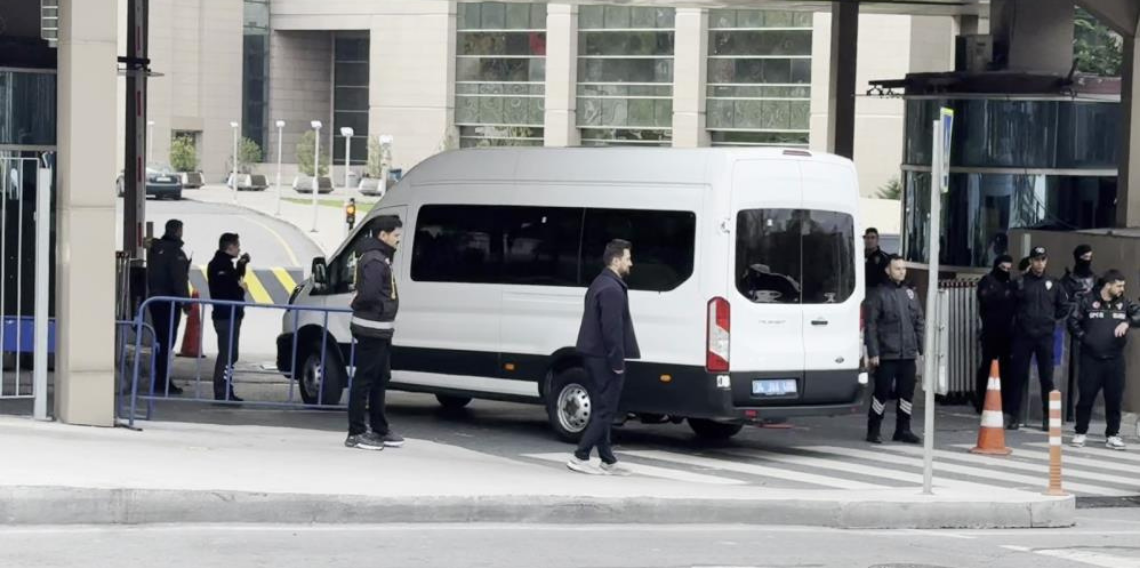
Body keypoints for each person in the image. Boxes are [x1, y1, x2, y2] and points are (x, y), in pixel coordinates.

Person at [567, 239, 640, 475]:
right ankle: (580, 456)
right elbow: (612, 330)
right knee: (606, 410)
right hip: (604, 358)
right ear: (616, 260)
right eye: (628, 258)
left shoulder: (600, 283)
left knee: (601, 408)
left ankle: (607, 459)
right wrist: (617, 362)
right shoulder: (612, 289)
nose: (631, 263)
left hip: (593, 355)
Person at [345, 215, 404, 451]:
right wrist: (361, 303)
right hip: (372, 328)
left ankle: (380, 429)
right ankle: (356, 432)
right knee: (365, 380)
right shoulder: (375, 260)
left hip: (381, 329)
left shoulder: (379, 257)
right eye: (396, 235)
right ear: (383, 235)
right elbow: (369, 294)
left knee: (380, 378)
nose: (398, 239)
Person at [1068, 270, 1140, 450]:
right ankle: (1080, 432)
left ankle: (1112, 435)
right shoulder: (1087, 300)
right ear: (1108, 285)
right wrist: (1085, 338)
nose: (1122, 289)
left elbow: (1139, 315)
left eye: (1123, 286)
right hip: (1091, 359)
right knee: (1086, 397)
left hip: (1115, 360)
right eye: (1119, 285)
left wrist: (1127, 322)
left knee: (1114, 399)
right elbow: (1072, 321)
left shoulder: (1124, 303)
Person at [863, 255, 924, 445]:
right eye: (897, 268)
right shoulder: (879, 294)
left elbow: (919, 322)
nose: (901, 272)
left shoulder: (910, 294)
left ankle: (903, 429)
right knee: (881, 393)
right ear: (888, 271)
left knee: (906, 394)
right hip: (886, 354)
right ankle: (874, 429)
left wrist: (922, 349)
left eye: (903, 268)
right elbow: (871, 325)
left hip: (907, 353)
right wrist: (873, 352)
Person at [1008, 246, 1069, 431]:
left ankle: (1047, 417)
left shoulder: (1054, 283)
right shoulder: (1019, 282)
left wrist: (1050, 320)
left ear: (1046, 261)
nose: (1040, 263)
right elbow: (1010, 306)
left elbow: (1064, 306)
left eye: (1043, 259)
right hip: (1023, 335)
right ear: (1031, 261)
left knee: (1046, 378)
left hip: (1044, 336)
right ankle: (1014, 416)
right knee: (1017, 376)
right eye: (1036, 260)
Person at [146, 219, 190, 395]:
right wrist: (186, 303)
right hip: (169, 303)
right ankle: (162, 382)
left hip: (155, 301)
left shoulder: (155, 250)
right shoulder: (175, 253)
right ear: (178, 231)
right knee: (167, 343)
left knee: (160, 342)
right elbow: (179, 281)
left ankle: (159, 379)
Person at [207, 233, 249, 403]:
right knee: (227, 354)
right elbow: (227, 290)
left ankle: (226, 390)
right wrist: (242, 289)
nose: (239, 249)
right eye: (237, 246)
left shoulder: (226, 265)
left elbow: (233, 279)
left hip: (230, 315)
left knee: (231, 354)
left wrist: (241, 266)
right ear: (230, 247)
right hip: (226, 315)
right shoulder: (220, 265)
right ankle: (221, 391)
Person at [975, 254, 1015, 414]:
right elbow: (985, 300)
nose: (1006, 271)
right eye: (1003, 268)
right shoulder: (987, 281)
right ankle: (982, 401)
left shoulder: (1010, 284)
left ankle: (1003, 401)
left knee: (1005, 368)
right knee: (987, 366)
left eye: (1008, 268)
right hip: (990, 331)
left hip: (1006, 332)